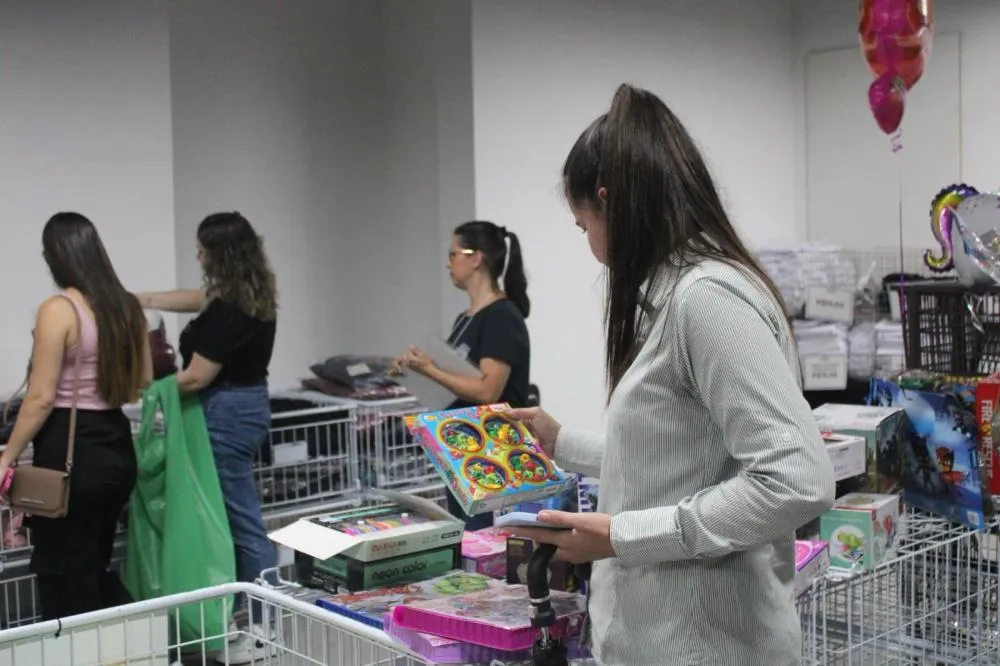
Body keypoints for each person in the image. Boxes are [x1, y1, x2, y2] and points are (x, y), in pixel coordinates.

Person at [506, 84, 836, 666]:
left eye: (584, 226)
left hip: (707, 646)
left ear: (610, 203)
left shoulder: (705, 299)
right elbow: (679, 458)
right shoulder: (673, 299)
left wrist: (621, 537)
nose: (591, 247)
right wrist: (562, 444)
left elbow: (795, 480)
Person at [137, 212, 278, 665]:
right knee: (235, 515)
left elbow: (196, 377)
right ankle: (250, 619)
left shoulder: (232, 310)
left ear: (220, 254)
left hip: (226, 413)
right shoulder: (243, 295)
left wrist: (138, 389)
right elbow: (194, 298)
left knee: (238, 519)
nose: (196, 255)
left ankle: (260, 625)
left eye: (201, 249)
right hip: (242, 406)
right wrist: (141, 297)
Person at [0, 212, 152, 620]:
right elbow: (143, 379)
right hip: (117, 449)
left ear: (55, 256)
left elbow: (40, 399)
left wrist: (6, 456)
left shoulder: (59, 308)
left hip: (70, 452)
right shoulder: (127, 307)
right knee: (94, 565)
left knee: (63, 576)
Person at [394, 221, 531, 530]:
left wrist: (430, 368)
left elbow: (487, 391)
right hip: (463, 453)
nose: (448, 263)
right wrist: (415, 370)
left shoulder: (501, 317)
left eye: (453, 254)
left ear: (476, 258)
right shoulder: (465, 319)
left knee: (485, 542)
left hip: (492, 458)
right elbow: (457, 383)